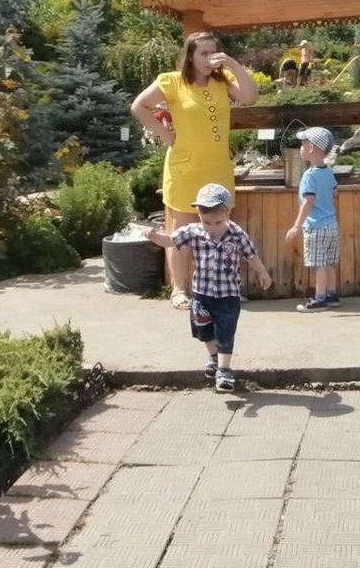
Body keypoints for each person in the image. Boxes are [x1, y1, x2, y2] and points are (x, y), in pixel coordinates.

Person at [131, 31, 259, 309]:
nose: (209, 58)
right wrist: (167, 136)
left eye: (214, 52)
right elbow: (139, 106)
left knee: (220, 230)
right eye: (203, 53)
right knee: (182, 230)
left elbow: (250, 97)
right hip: (186, 166)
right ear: (190, 55)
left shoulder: (222, 81)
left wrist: (233, 65)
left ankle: (222, 288)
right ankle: (179, 289)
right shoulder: (172, 81)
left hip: (217, 166)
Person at [143, 184, 272, 392]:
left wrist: (262, 271)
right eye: (207, 222)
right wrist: (154, 236)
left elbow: (250, 254)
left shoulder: (236, 234)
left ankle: (224, 371)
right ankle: (214, 357)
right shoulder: (193, 232)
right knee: (203, 330)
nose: (212, 227)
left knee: (225, 331)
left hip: (228, 295)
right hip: (202, 294)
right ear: (199, 215)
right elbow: (170, 240)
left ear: (228, 213)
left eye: (218, 222)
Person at [285, 126, 340, 312]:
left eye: (302, 144)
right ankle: (332, 295)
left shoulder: (309, 175)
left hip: (316, 227)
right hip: (332, 225)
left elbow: (308, 202)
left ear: (311, 148)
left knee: (319, 265)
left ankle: (319, 299)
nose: (300, 147)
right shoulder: (328, 171)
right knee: (330, 263)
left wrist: (296, 226)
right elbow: (335, 192)